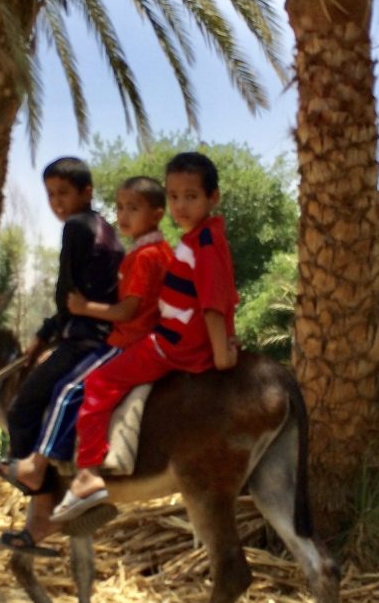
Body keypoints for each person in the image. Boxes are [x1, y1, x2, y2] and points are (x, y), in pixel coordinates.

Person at [52, 151, 239, 523]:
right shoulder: (196, 238)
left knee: (99, 382)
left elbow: (213, 303)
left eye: (191, 197)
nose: (180, 206)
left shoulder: (202, 244)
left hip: (173, 346)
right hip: (180, 337)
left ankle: (88, 474)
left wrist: (222, 357)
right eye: (174, 197)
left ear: (213, 198)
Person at [0, 156, 122, 554]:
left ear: (87, 192)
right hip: (90, 330)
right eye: (50, 195)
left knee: (21, 410)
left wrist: (45, 335)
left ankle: (41, 502)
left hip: (86, 338)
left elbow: (68, 297)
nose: (57, 203)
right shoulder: (105, 229)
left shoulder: (77, 227)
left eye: (64, 193)